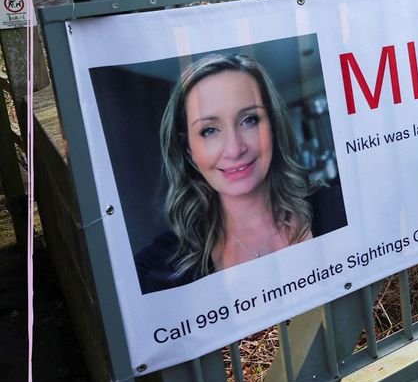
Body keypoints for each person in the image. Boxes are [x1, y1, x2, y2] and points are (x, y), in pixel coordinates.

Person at [135, 52, 345, 294]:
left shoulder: (339, 208)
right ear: (188, 149)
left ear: (274, 127)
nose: (234, 149)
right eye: (209, 130)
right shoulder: (155, 272)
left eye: (249, 120)